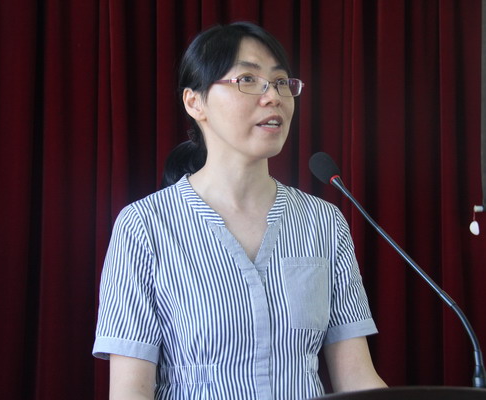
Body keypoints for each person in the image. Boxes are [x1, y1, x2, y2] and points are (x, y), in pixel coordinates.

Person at [93, 21, 387, 399]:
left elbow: (357, 379)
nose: (273, 96)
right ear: (194, 102)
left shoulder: (324, 223)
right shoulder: (145, 226)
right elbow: (130, 392)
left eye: (281, 82)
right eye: (248, 80)